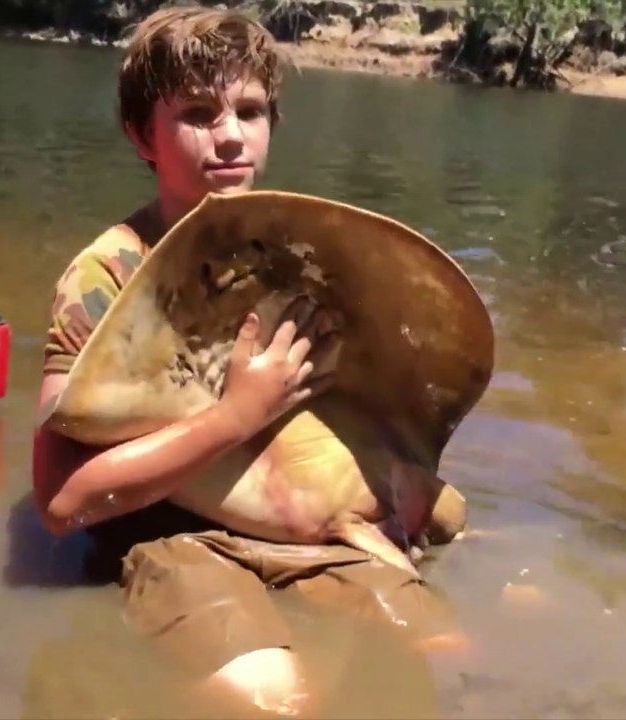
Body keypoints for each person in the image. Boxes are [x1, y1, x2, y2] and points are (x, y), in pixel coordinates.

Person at [30, 6, 467, 717]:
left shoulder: (306, 257)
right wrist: (238, 414)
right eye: (198, 113)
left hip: (315, 532)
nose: (231, 136)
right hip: (174, 537)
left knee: (448, 659)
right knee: (277, 703)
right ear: (143, 134)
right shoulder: (105, 277)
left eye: (250, 110)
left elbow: (373, 410)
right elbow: (59, 502)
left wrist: (394, 499)